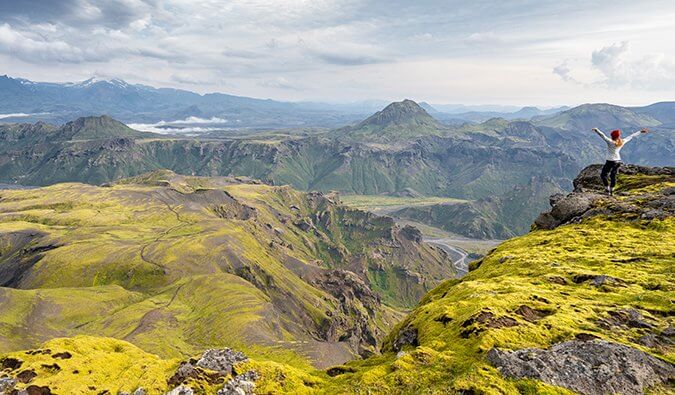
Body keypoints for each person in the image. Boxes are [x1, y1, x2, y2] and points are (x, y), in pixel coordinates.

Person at [591, 127, 648, 195]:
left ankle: (607, 189)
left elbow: (603, 136)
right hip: (618, 161)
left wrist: (596, 130)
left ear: (612, 136)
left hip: (610, 161)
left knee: (603, 175)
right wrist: (640, 132)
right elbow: (631, 136)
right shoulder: (622, 142)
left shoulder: (610, 142)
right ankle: (612, 191)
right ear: (618, 136)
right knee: (613, 176)